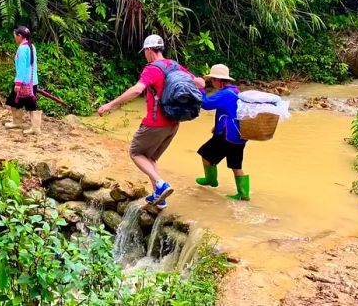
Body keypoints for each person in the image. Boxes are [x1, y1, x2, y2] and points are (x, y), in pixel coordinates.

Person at [98, 35, 205, 209]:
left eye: (145, 52)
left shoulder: (152, 69)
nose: (145, 55)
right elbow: (200, 83)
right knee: (151, 158)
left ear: (149, 50)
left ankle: (161, 184)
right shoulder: (174, 65)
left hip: (155, 123)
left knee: (136, 153)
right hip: (174, 123)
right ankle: (159, 196)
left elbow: (137, 90)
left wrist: (110, 105)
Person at [195, 64, 250, 201]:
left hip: (227, 135)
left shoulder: (225, 93)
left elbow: (206, 104)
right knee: (236, 164)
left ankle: (211, 180)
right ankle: (243, 194)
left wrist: (200, 88)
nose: (212, 83)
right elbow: (228, 112)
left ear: (219, 80)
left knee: (205, 154)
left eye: (212, 80)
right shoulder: (235, 91)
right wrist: (216, 126)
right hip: (239, 134)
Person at [4, 26, 41, 135]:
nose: (15, 38)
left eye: (15, 36)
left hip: (24, 82)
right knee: (17, 102)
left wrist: (18, 83)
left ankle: (35, 128)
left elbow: (22, 67)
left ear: (20, 36)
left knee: (29, 105)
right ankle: (17, 122)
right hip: (32, 81)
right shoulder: (31, 46)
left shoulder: (22, 48)